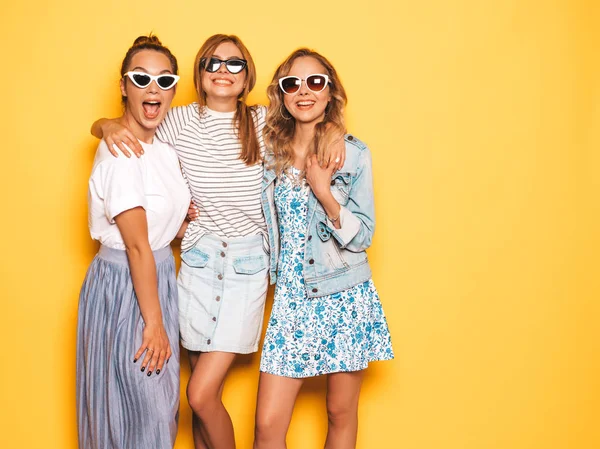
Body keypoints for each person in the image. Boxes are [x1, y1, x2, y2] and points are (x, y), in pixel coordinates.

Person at [91, 34, 345, 449]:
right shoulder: (176, 120)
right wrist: (106, 124)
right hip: (197, 262)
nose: (223, 71)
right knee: (201, 403)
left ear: (247, 79)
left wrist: (334, 130)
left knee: (200, 393)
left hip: (246, 267)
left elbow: (311, 117)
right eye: (213, 63)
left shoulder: (264, 123)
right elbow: (129, 123)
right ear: (199, 73)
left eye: (234, 64)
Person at [255, 48, 394, 449]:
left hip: (343, 294)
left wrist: (324, 191)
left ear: (330, 92)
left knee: (339, 412)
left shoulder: (351, 153)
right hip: (291, 300)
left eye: (315, 82)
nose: (304, 91)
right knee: (266, 428)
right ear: (280, 95)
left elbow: (363, 235)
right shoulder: (270, 153)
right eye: (291, 84)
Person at [77, 35, 190, 449]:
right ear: (123, 85)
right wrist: (154, 323)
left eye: (164, 80)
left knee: (153, 416)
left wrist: (176, 225)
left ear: (174, 89)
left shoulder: (159, 148)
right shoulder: (121, 153)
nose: (153, 88)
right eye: (141, 77)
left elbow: (154, 224)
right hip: (127, 285)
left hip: (157, 276)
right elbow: (137, 246)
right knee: (141, 413)